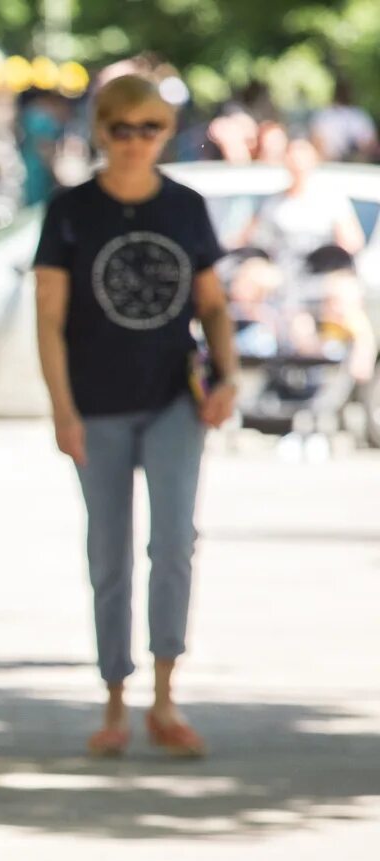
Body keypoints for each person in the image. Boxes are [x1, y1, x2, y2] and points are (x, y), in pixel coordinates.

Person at [33, 74, 241, 759]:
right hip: (96, 403)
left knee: (174, 543)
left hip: (173, 400)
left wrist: (227, 373)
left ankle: (165, 695)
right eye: (120, 128)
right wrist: (62, 410)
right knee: (109, 551)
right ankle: (115, 701)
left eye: (148, 128)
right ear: (100, 132)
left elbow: (211, 302)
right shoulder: (70, 210)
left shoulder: (185, 207)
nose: (134, 142)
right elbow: (50, 319)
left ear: (165, 133)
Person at [239, 135, 366, 280]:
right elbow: (247, 238)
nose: (297, 163)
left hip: (323, 275)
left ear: (314, 160)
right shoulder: (272, 203)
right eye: (293, 157)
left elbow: (352, 243)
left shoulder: (332, 200)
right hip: (280, 276)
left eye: (302, 157)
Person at [309, 81, 378, 163]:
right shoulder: (360, 116)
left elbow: (315, 142)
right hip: (335, 164)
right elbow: (370, 143)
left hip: (347, 165)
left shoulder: (324, 115)